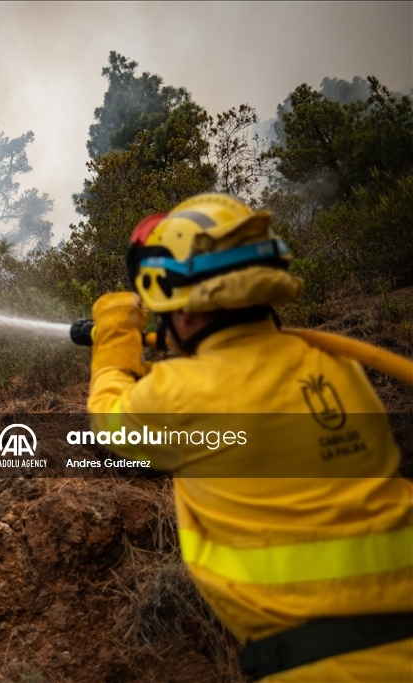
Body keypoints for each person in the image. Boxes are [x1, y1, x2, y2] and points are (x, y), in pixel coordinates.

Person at [86, 193, 412, 681]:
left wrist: (114, 340)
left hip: (323, 669)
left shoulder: (182, 395)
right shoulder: (339, 367)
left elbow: (109, 422)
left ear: (189, 312)